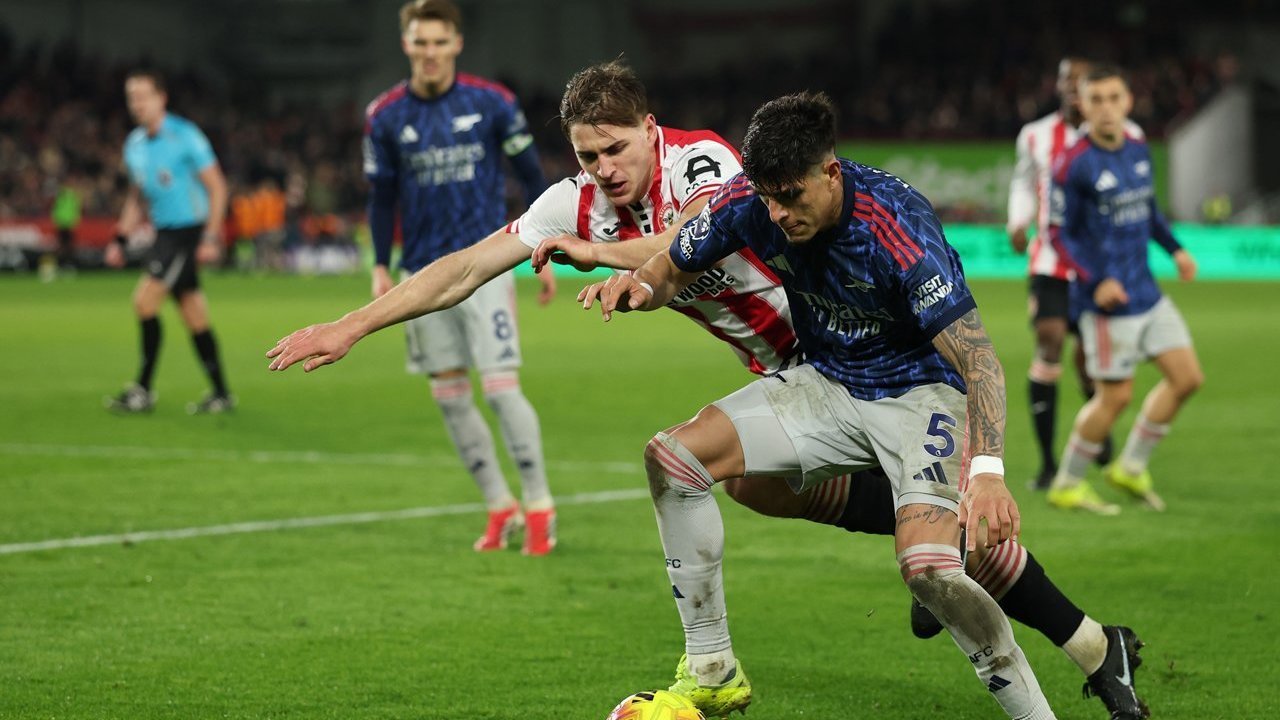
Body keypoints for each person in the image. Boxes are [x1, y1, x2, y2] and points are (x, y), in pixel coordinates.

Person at [270, 64, 1147, 718]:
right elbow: (463, 268)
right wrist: (350, 325)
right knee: (751, 486)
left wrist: (613, 262)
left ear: (652, 131)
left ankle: (1082, 640)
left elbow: (703, 229)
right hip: (805, 381)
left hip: (879, 366)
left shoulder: (705, 165)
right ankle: (742, 658)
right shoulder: (576, 205)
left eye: (617, 148)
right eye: (587, 156)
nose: (605, 169)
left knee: (939, 548)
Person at [582, 92, 1054, 719]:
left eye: (791, 196)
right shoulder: (750, 203)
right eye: (768, 198)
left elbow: (981, 361)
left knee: (929, 572)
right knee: (672, 458)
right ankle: (712, 667)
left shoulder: (895, 224)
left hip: (920, 395)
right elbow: (672, 262)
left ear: (829, 172)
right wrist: (641, 286)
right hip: (828, 383)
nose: (777, 214)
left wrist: (988, 472)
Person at [362, 0, 557, 554]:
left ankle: (540, 504)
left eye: (439, 42)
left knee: (500, 388)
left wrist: (543, 248)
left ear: (456, 43)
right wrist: (380, 264)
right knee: (449, 396)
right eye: (420, 42)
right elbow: (381, 199)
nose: (429, 53)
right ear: (406, 45)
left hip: (485, 263)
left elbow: (530, 177)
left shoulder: (493, 103)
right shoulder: (384, 116)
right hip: (420, 273)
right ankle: (500, 506)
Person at [1046, 63, 1202, 514]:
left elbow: (1149, 212)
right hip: (1107, 304)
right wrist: (1098, 280)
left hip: (1147, 292)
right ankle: (1067, 483)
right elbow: (1060, 234)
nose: (1107, 109)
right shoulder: (1073, 164)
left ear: (1128, 102)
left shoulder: (1137, 149)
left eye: (1114, 98)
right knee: (1115, 396)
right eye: (1096, 100)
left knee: (1187, 378)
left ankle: (1130, 467)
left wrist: (1177, 250)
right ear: (1083, 105)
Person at [1007, 57, 1145, 489]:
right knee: (1049, 342)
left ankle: (1097, 440)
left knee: (1090, 363)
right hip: (1050, 259)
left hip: (1099, 267)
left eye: (1080, 82)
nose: (1071, 88)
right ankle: (1048, 465)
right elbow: (1023, 183)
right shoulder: (1035, 135)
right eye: (1066, 80)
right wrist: (1018, 220)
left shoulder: (1129, 135)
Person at [104, 69, 232, 415]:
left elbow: (217, 187)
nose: (137, 104)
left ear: (162, 98)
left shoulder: (185, 136)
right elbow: (137, 197)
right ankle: (221, 394)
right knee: (194, 315)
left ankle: (143, 390)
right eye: (132, 97)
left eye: (144, 96)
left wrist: (209, 236)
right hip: (164, 234)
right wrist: (120, 237)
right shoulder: (134, 145)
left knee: (144, 302)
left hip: (187, 233)